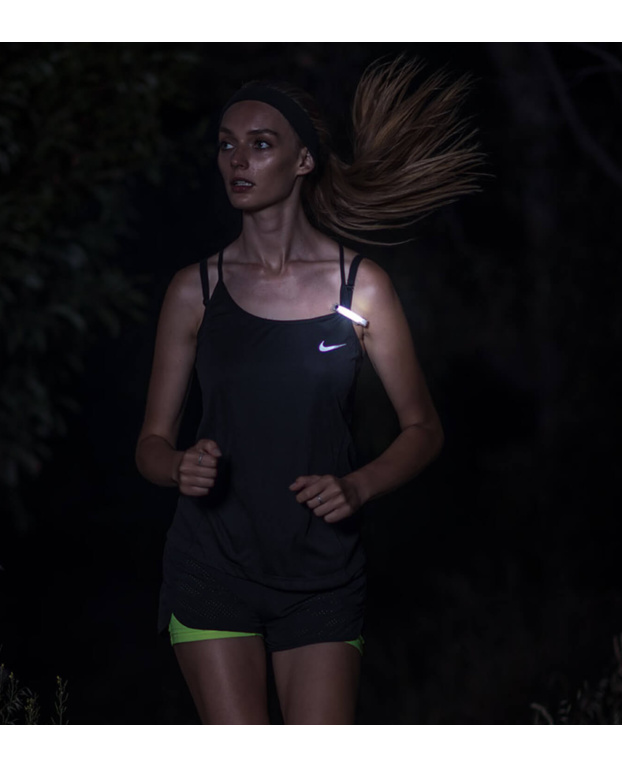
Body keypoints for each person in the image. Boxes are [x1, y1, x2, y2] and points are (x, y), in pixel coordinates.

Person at [135, 56, 481, 724]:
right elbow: (149, 444)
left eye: (260, 144)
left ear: (302, 161)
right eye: (226, 145)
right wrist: (177, 466)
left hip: (322, 573)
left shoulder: (360, 288)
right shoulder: (194, 291)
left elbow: (424, 429)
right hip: (212, 568)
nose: (238, 160)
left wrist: (359, 487)